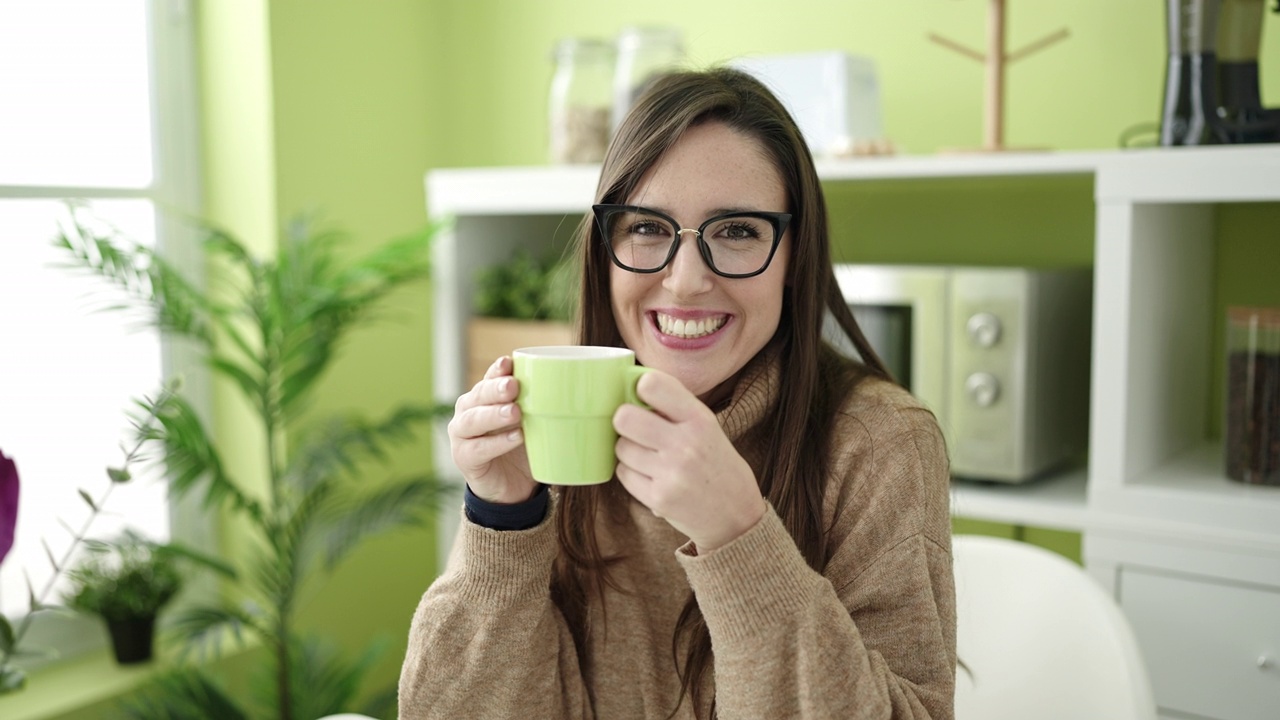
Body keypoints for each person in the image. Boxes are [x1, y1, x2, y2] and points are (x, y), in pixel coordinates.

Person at [399, 67, 956, 720]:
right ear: (605, 246)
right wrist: (502, 517)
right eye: (647, 228)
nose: (686, 281)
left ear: (794, 254)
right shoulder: (562, 424)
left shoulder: (880, 443)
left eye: (738, 231)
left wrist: (739, 536)